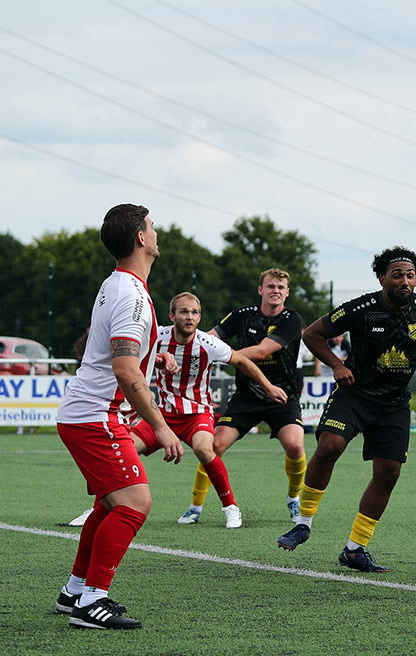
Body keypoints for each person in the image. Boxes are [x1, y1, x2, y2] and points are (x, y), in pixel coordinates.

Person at [277, 247, 416, 572]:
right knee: (329, 446)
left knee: (389, 472)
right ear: (382, 279)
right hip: (355, 394)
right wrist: (337, 365)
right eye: (397, 275)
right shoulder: (361, 308)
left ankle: (355, 549)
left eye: (410, 275)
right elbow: (312, 334)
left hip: (394, 404)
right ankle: (302, 524)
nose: (405, 281)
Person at [54, 203, 183, 629]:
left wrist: (153, 356)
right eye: (152, 227)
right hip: (97, 415)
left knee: (109, 503)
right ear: (141, 238)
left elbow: (121, 352)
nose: (157, 233)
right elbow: (124, 369)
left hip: (87, 412)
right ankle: (92, 602)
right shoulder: (132, 295)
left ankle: (74, 591)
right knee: (134, 503)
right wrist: (162, 428)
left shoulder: (117, 283)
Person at [132, 292, 287, 528]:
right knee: (124, 449)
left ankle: (230, 507)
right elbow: (130, 360)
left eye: (194, 312)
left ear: (199, 317)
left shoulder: (208, 343)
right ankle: (98, 507)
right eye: (184, 312)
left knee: (205, 449)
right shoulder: (157, 338)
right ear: (172, 316)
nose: (190, 317)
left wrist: (268, 387)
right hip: (162, 416)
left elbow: (242, 361)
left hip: (197, 414)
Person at [201, 268, 308, 522]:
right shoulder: (242, 315)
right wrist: (188, 346)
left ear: (287, 293)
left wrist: (223, 355)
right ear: (261, 290)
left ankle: (294, 498)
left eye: (280, 287)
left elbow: (261, 352)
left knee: (295, 446)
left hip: (282, 396)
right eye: (270, 286)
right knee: (214, 446)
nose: (275, 291)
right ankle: (195, 506)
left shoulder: (292, 319)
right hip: (246, 395)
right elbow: (208, 339)